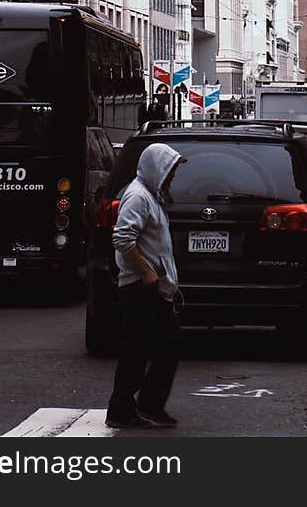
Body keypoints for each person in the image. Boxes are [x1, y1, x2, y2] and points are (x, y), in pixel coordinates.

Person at [106, 142, 185, 429]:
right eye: (169, 170)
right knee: (146, 349)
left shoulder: (151, 196)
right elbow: (123, 239)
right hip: (141, 286)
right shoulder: (138, 197)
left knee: (149, 348)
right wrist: (147, 273)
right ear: (156, 168)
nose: (172, 176)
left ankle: (133, 408)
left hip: (152, 285)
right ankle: (134, 408)